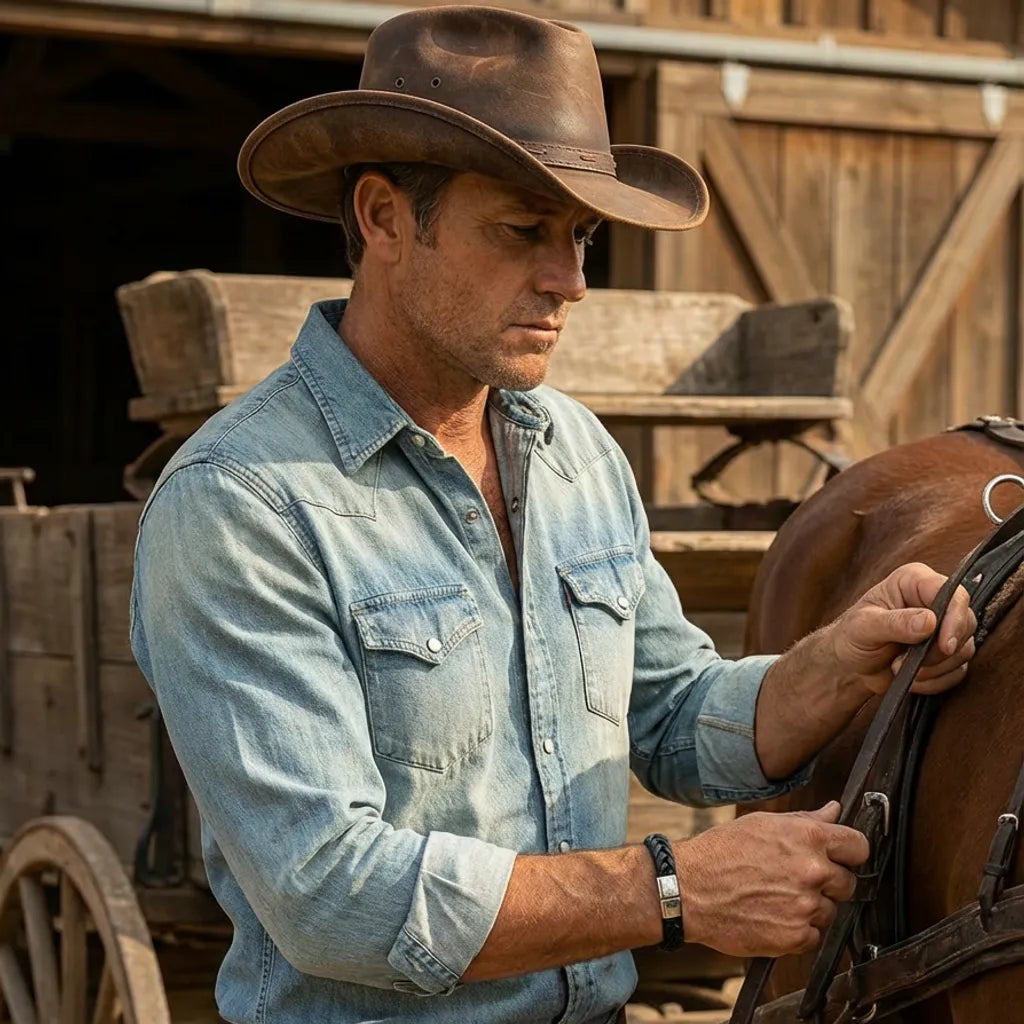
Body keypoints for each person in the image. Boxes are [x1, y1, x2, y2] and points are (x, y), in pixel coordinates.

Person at [130, 7, 977, 1023]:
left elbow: (668, 715)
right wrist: (674, 888)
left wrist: (835, 664)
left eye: (580, 235)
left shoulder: (572, 453)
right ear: (385, 218)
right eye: (523, 229)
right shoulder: (243, 503)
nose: (570, 280)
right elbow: (328, 893)